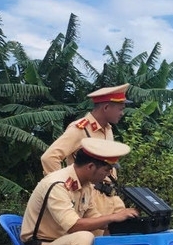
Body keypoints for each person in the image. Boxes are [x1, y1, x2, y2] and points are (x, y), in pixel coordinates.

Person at [41, 83, 133, 220]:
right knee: (94, 239)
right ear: (106, 107)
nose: (122, 113)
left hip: (110, 196)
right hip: (91, 197)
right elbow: (49, 157)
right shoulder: (80, 129)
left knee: (125, 235)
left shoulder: (108, 129)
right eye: (120, 109)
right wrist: (66, 189)